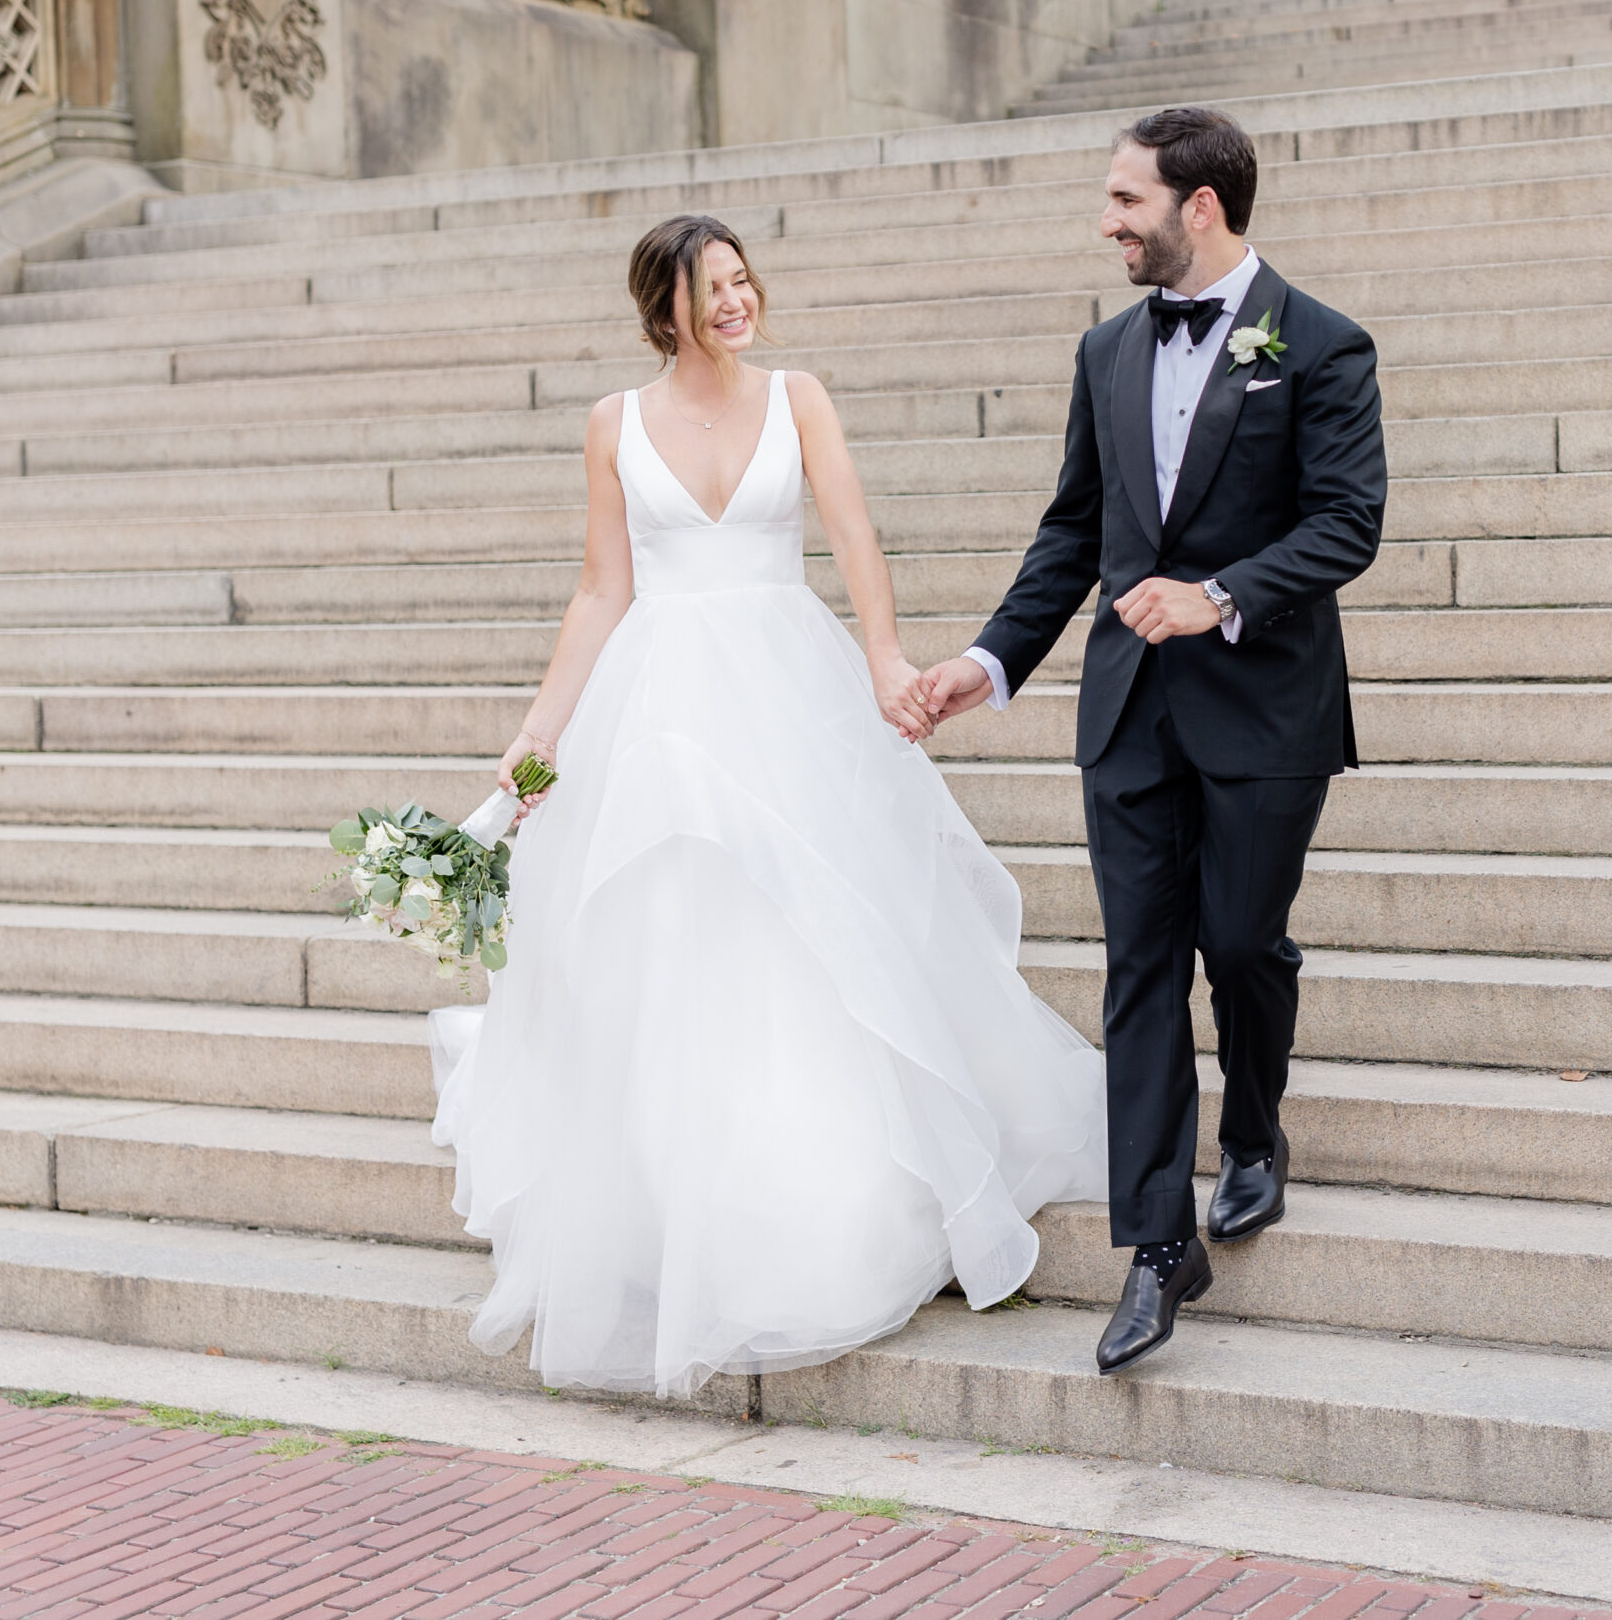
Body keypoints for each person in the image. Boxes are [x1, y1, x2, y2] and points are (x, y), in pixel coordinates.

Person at [428, 215, 1108, 1401]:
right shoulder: (612, 425)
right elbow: (602, 587)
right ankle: (682, 1221)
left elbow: (849, 531)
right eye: (713, 289)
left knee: (819, 936)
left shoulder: (798, 397)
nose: (738, 303)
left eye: (744, 281)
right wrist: (539, 737)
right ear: (665, 309)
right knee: (682, 952)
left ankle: (843, 1201)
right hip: (659, 706)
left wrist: (885, 661)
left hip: (786, 685)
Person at [916, 107, 1387, 1375]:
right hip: (1126, 713)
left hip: (1266, 712)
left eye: (1128, 199)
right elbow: (1074, 532)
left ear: (1203, 208)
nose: (1108, 220)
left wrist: (1219, 594)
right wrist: (986, 660)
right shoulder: (1105, 353)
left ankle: (1255, 1132)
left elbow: (1349, 524)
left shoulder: (1325, 347)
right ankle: (1155, 1243)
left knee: (1238, 945)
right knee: (1137, 969)